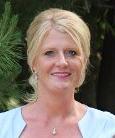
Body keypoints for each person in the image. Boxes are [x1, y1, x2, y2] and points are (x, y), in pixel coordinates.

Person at [0, 8, 115, 138]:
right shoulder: (3, 127)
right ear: (33, 61)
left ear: (84, 61)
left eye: (72, 52)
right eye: (49, 53)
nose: (62, 62)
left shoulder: (108, 129)